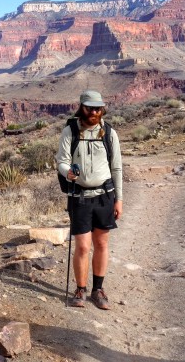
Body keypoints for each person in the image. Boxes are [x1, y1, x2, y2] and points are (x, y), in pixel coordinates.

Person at [55, 90, 123, 309]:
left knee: (102, 243)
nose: (94, 112)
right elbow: (62, 161)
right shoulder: (70, 131)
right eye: (90, 108)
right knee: (83, 246)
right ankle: (80, 288)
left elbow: (117, 168)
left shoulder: (109, 133)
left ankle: (98, 289)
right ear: (81, 107)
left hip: (104, 196)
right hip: (79, 196)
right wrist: (68, 173)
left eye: (98, 108)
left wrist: (118, 199)